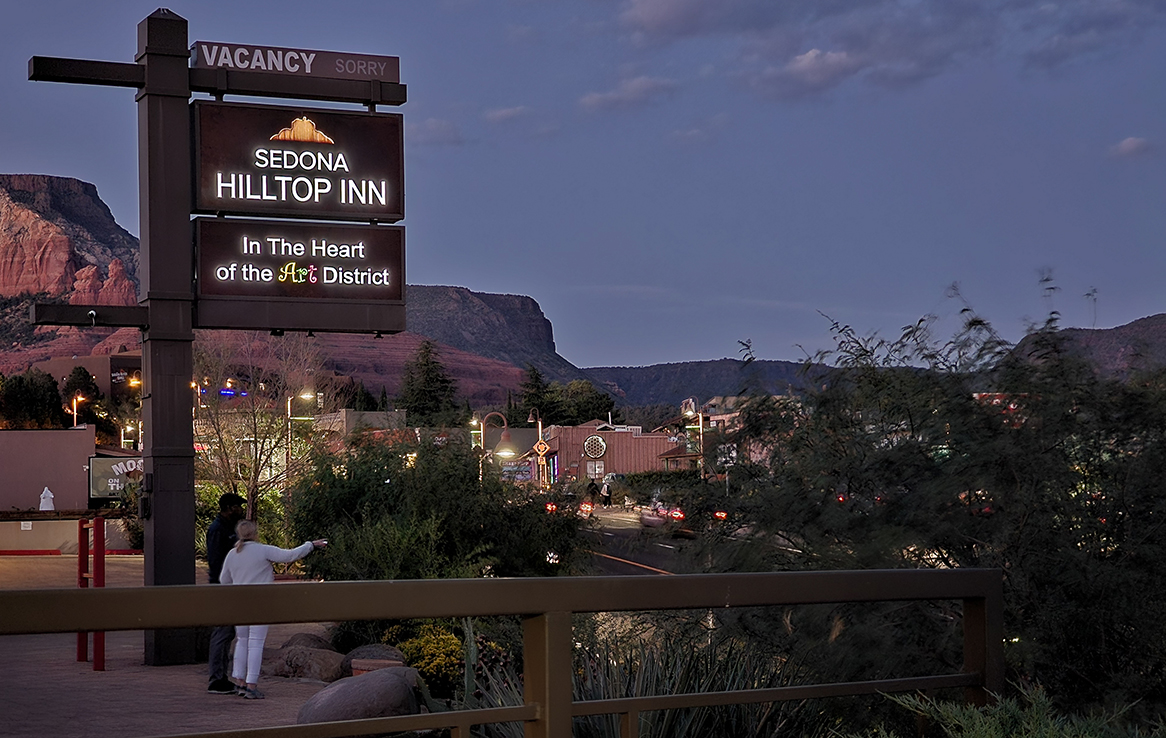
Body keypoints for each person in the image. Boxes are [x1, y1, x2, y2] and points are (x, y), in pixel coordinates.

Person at [220, 520, 326, 699]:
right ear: (255, 533)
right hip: (261, 603)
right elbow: (290, 555)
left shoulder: (233, 554)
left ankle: (239, 682)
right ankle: (251, 684)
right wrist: (311, 545)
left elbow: (224, 580)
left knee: (242, 641)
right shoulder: (263, 550)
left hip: (239, 603)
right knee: (256, 643)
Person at [205, 492, 246, 695]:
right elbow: (216, 562)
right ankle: (216, 679)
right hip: (222, 588)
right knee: (222, 632)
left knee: (227, 632)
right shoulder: (218, 530)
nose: (241, 509)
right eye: (238, 506)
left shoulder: (230, 529)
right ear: (229, 507)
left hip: (231, 587)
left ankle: (221, 677)